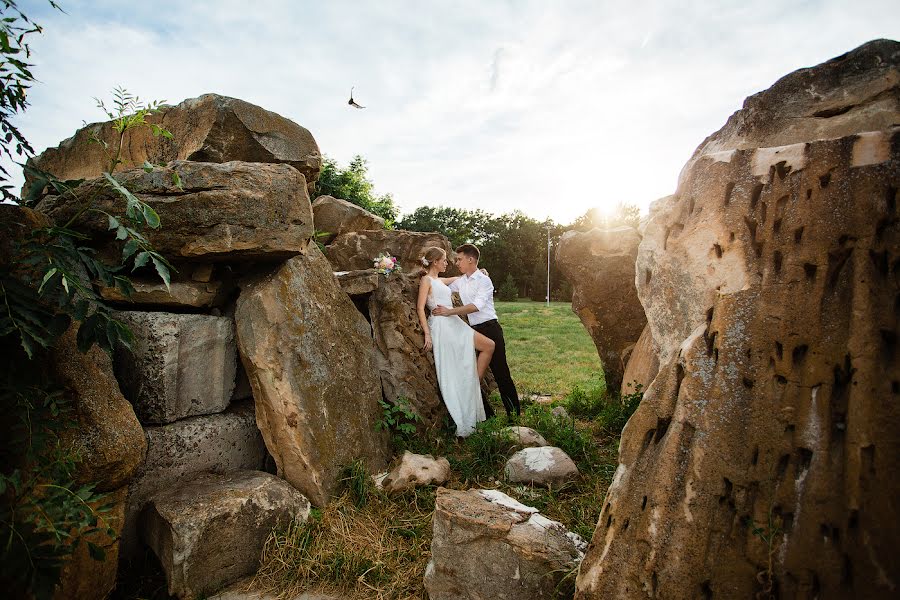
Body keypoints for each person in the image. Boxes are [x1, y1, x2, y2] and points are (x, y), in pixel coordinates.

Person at [432, 244, 521, 419]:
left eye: (459, 259)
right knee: (470, 373)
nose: (456, 262)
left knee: (501, 373)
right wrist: (430, 277)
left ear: (471, 259)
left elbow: (476, 307)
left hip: (491, 329)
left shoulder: (484, 280)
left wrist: (449, 312)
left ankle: (514, 417)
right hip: (473, 333)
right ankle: (488, 416)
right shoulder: (461, 281)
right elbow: (439, 284)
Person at [416, 246, 495, 437]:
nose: (447, 263)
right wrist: (427, 334)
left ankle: (472, 385)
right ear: (435, 262)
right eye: (444, 260)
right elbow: (420, 308)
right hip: (442, 326)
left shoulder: (440, 280)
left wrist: (481, 271)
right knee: (455, 368)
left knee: (488, 345)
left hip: (454, 322)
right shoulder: (426, 280)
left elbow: (463, 278)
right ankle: (464, 407)